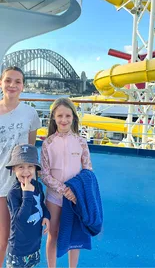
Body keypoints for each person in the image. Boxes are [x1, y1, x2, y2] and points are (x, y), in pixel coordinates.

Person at [40, 97, 93, 268]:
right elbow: (45, 174)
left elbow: (87, 171)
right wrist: (64, 190)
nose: (64, 120)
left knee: (74, 235)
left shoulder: (81, 142)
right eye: (60, 116)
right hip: (55, 197)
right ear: (53, 118)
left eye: (68, 116)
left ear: (74, 118)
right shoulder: (47, 143)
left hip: (75, 198)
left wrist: (77, 192)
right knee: (53, 234)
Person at [0, 66, 41, 265]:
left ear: (23, 86)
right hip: (0, 181)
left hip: (21, 182)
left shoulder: (30, 113)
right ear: (1, 83)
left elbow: (30, 148)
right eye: (8, 80)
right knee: (2, 237)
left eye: (17, 81)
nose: (12, 85)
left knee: (19, 233)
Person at [5, 144, 50, 268]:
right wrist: (27, 194)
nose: (26, 171)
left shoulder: (38, 186)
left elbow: (41, 204)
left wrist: (46, 215)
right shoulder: (13, 193)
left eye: (30, 166)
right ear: (13, 169)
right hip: (18, 251)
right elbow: (20, 220)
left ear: (36, 167)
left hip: (34, 247)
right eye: (21, 167)